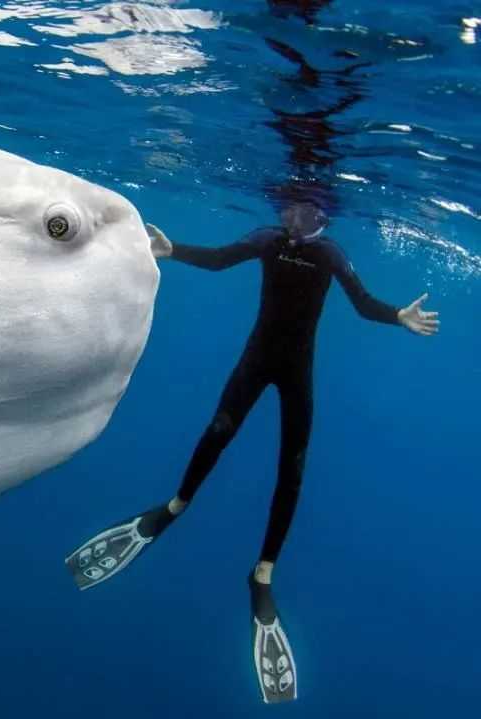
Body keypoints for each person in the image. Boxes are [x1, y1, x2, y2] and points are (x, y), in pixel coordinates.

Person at [65, 203, 439, 703]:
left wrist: (398, 316)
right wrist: (173, 250)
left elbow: (362, 302)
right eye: (293, 213)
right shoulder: (268, 241)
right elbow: (221, 258)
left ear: (323, 218)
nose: (298, 223)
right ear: (286, 212)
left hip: (294, 372)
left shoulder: (329, 254)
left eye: (310, 215)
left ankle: (262, 574)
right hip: (258, 359)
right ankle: (174, 508)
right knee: (218, 431)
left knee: (294, 466)